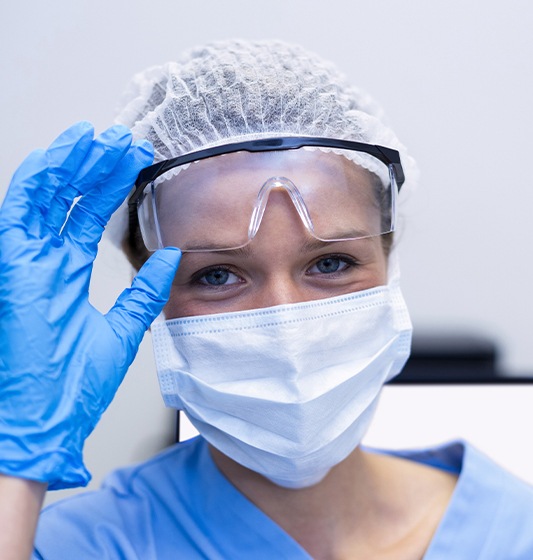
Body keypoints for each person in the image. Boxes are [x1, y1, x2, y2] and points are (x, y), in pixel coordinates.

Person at [1, 40, 533, 560]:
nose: (284, 320)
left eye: (330, 263)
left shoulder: (514, 531)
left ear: (388, 262)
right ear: (151, 290)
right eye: (217, 275)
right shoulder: (76, 545)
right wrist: (17, 463)